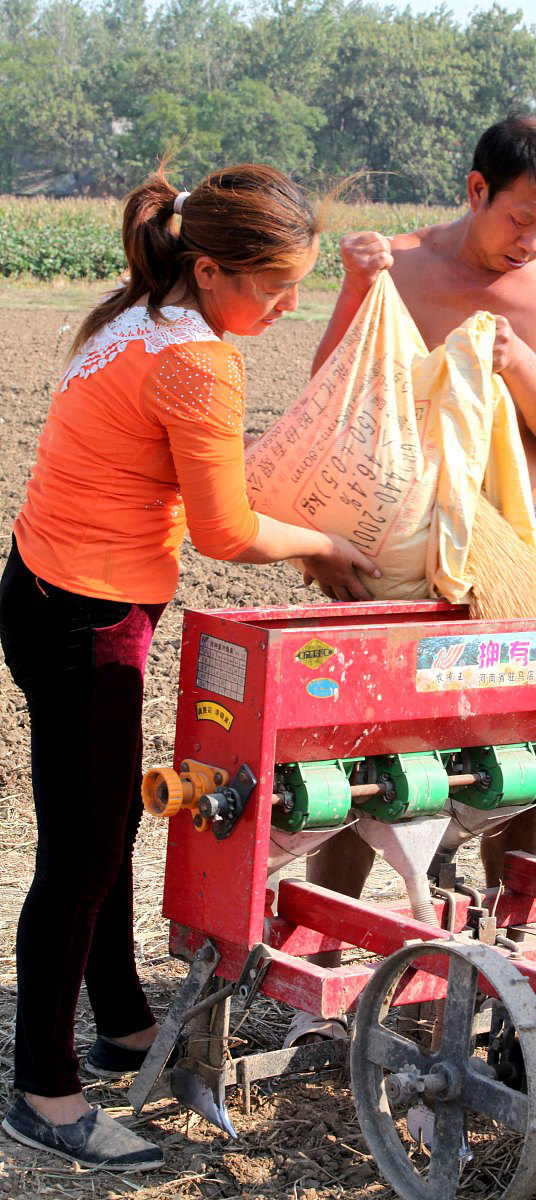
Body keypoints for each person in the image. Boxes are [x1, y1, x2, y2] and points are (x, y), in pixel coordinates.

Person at [0, 163, 378, 1171]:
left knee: (107, 821)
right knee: (80, 858)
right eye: (275, 285)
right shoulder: (195, 361)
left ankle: (122, 1023)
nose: (288, 305)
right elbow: (221, 530)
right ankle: (43, 1092)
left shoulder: (141, 315)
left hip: (48, 593)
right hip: (85, 619)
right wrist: (321, 546)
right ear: (210, 269)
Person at [303, 115, 536, 957]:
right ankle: (328, 946)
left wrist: (516, 361)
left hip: (513, 549)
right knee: (371, 756)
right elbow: (331, 402)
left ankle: (516, 946)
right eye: (522, 218)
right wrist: (354, 289)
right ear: (476, 190)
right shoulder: (397, 267)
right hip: (400, 551)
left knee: (520, 757)